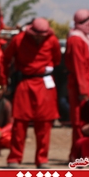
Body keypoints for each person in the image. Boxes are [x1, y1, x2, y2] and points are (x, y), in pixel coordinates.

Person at [5, 18, 61, 168]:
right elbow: (6, 59)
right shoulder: (18, 40)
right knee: (20, 123)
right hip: (25, 83)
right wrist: (4, 81)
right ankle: (15, 158)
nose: (40, 38)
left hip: (44, 84)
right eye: (37, 35)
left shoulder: (53, 41)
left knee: (44, 123)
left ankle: (42, 159)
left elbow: (57, 60)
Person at [66, 9, 89, 159]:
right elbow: (78, 66)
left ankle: (84, 153)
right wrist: (83, 89)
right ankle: (78, 154)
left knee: (88, 119)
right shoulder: (76, 40)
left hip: (88, 81)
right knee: (79, 121)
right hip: (81, 85)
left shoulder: (86, 38)